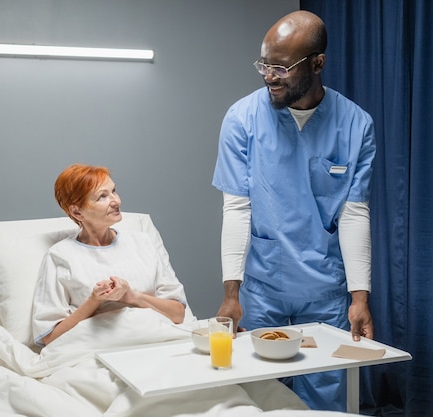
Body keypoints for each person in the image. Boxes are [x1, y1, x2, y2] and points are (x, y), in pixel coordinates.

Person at [211, 10, 376, 411]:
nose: (269, 75)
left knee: (327, 391)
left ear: (317, 63)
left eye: (281, 67)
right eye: (264, 64)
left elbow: (354, 214)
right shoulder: (242, 119)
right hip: (264, 283)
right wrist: (231, 293)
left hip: (324, 287)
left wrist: (359, 298)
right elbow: (236, 208)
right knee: (260, 392)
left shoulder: (356, 124)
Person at [32, 163, 188, 347]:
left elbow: (178, 314)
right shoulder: (60, 256)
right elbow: (49, 337)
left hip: (154, 340)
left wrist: (133, 296)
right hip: (95, 348)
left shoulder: (143, 243)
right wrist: (94, 301)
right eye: (102, 196)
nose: (116, 201)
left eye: (114, 191)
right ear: (77, 211)